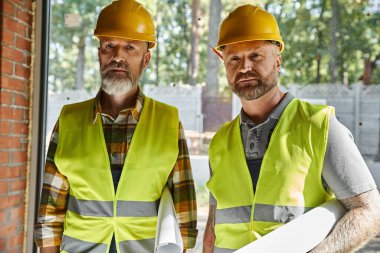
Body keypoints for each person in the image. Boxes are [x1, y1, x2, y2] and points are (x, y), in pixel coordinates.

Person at [203, 4, 380, 253]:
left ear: (278, 61)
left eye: (255, 56)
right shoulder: (220, 141)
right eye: (234, 58)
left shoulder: (320, 126)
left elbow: (369, 211)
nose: (244, 67)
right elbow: (212, 225)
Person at [34, 0, 198, 252]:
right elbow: (49, 214)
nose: (117, 56)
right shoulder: (69, 119)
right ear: (99, 53)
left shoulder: (168, 121)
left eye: (130, 47)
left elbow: (184, 216)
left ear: (146, 59)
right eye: (109, 46)